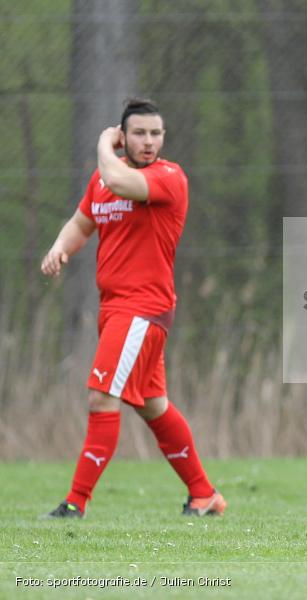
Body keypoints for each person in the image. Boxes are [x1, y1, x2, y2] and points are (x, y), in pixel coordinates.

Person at [40, 98, 225, 518]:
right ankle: (204, 495)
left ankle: (75, 503)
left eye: (155, 133)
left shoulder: (168, 177)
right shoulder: (101, 180)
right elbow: (81, 222)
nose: (149, 141)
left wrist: (104, 143)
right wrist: (59, 247)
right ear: (127, 136)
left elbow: (119, 182)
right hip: (115, 309)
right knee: (152, 404)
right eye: (139, 133)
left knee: (101, 396)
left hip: (143, 309)